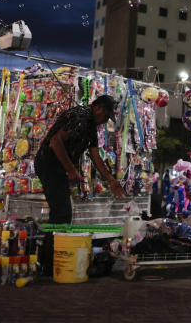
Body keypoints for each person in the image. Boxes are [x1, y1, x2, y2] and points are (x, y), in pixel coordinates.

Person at [34, 96, 126, 272]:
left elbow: (95, 156)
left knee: (60, 214)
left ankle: (47, 261)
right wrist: (71, 169)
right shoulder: (80, 117)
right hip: (49, 164)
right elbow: (55, 142)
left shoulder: (91, 124)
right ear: (97, 107)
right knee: (62, 213)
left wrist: (111, 180)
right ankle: (49, 263)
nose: (106, 120)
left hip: (58, 167)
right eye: (106, 115)